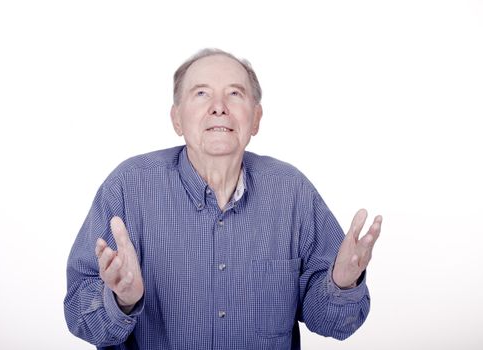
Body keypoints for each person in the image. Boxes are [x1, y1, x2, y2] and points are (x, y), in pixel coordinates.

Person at [64, 48, 383, 350]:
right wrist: (121, 300)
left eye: (235, 93)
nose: (219, 107)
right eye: (201, 93)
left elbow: (332, 324)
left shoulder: (292, 192)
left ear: (255, 118)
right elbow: (79, 314)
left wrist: (341, 285)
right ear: (177, 119)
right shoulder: (128, 186)